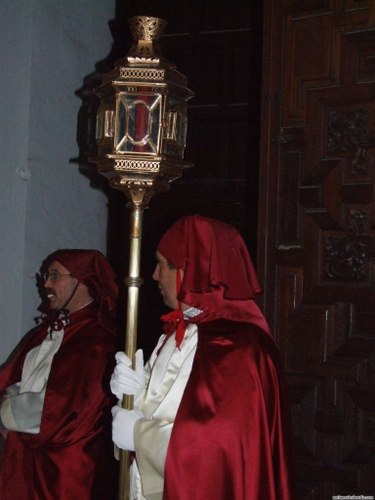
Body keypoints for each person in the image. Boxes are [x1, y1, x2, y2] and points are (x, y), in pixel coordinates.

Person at [110, 214, 296, 500]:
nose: (155, 275)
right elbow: (160, 411)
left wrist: (139, 435)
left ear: (188, 270)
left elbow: (217, 447)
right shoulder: (173, 334)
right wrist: (134, 393)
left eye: (162, 264)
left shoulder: (243, 348)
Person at [0, 249, 119, 500]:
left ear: (83, 282)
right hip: (28, 462)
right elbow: (17, 381)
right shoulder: (47, 332)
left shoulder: (97, 342)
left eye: (55, 275)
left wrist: (4, 413)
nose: (46, 283)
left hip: (66, 473)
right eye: (46, 274)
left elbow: (62, 410)